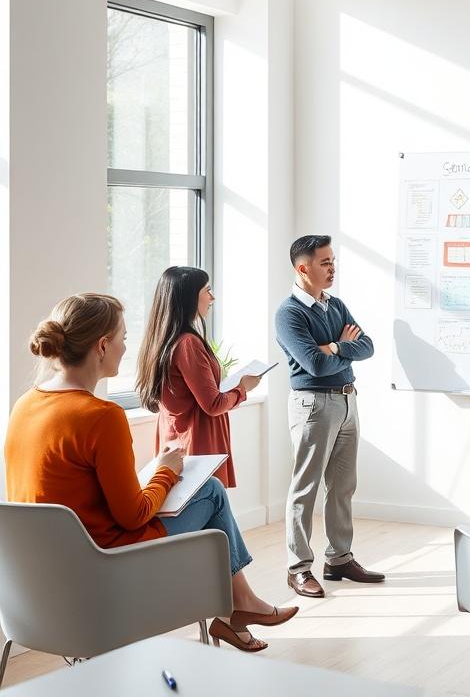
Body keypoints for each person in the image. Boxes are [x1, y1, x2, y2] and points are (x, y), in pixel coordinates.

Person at [4, 294, 297, 652]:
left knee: (199, 496)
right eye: (124, 338)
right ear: (101, 346)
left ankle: (238, 607)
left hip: (38, 589)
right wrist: (166, 471)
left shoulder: (24, 405)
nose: (126, 347)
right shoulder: (101, 416)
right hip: (105, 567)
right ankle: (238, 605)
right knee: (212, 491)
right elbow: (133, 517)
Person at [275, 235, 383, 598]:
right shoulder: (289, 313)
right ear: (302, 268)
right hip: (313, 405)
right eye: (324, 263)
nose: (332, 268)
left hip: (348, 401)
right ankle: (298, 568)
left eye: (333, 261)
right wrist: (338, 348)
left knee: (343, 485)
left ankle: (339, 558)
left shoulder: (335, 305)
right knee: (305, 487)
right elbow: (315, 364)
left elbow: (367, 346)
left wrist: (336, 344)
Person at [137, 267, 262, 488]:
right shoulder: (188, 344)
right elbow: (213, 404)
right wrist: (243, 388)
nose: (212, 297)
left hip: (179, 437)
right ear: (189, 297)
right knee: (208, 509)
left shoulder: (164, 340)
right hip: (196, 444)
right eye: (208, 290)